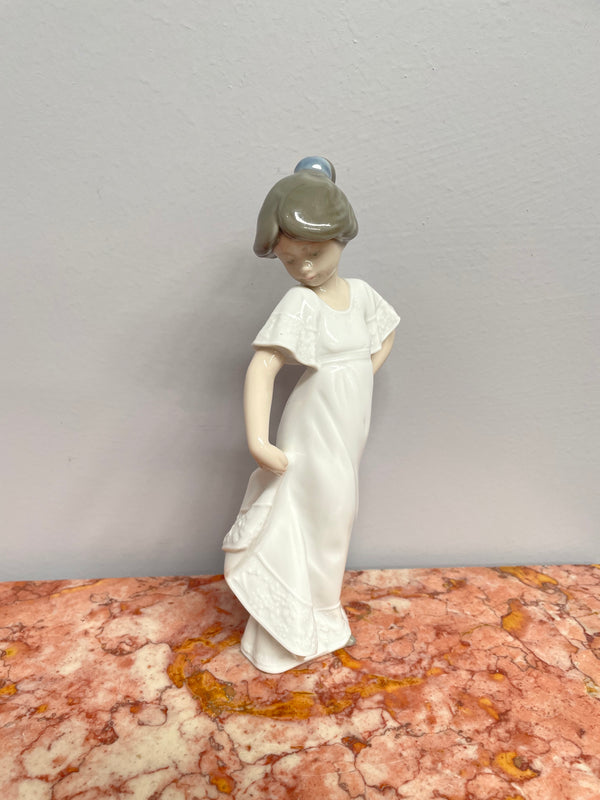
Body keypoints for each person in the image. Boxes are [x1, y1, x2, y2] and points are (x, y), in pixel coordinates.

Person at [223, 157, 400, 672]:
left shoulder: (361, 294)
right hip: (313, 423)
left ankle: (319, 617)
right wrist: (258, 440)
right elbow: (263, 367)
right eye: (290, 260)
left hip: (347, 426)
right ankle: (292, 623)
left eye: (315, 254)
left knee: (336, 517)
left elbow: (386, 333)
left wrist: (357, 374)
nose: (305, 269)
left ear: (340, 239)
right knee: (316, 513)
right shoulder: (301, 304)